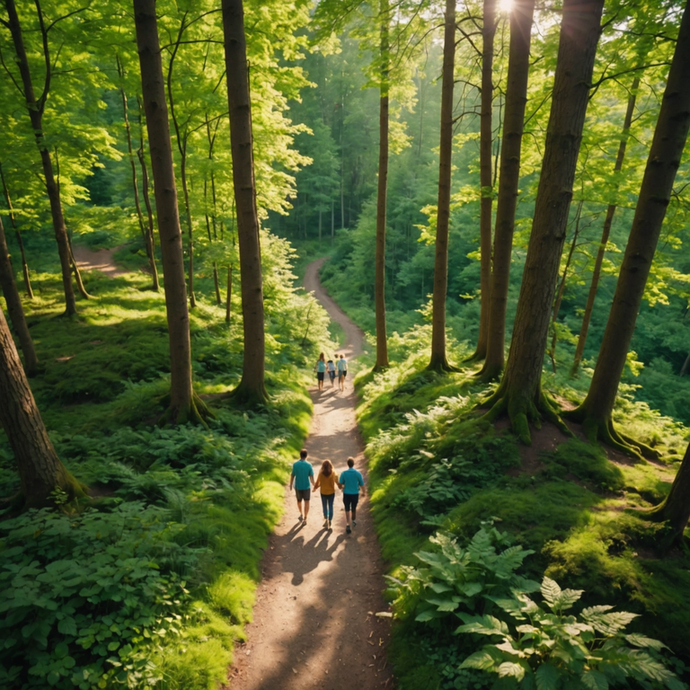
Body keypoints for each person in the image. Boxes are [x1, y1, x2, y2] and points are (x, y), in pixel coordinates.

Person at [338, 456, 365, 534]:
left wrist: (342, 487)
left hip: (346, 494)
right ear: (353, 464)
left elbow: (340, 484)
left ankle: (347, 524)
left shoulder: (344, 473)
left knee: (347, 508)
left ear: (347, 464)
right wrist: (364, 492)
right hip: (355, 494)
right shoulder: (357, 473)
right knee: (353, 508)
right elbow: (362, 484)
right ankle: (353, 520)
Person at [289, 449, 314, 524]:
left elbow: (292, 475)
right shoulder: (309, 465)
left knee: (299, 501)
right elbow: (311, 478)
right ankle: (305, 518)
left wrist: (290, 484)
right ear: (306, 456)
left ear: (300, 455)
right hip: (306, 486)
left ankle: (301, 514)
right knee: (307, 501)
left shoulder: (295, 464)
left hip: (298, 486)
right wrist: (315, 485)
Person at [313, 459, 339, 530]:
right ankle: (330, 519)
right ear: (330, 465)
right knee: (330, 505)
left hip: (323, 492)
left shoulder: (321, 473)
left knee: (324, 506)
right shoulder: (333, 472)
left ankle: (326, 518)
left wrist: (315, 488)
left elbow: (317, 482)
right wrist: (340, 486)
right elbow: (337, 481)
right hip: (331, 493)